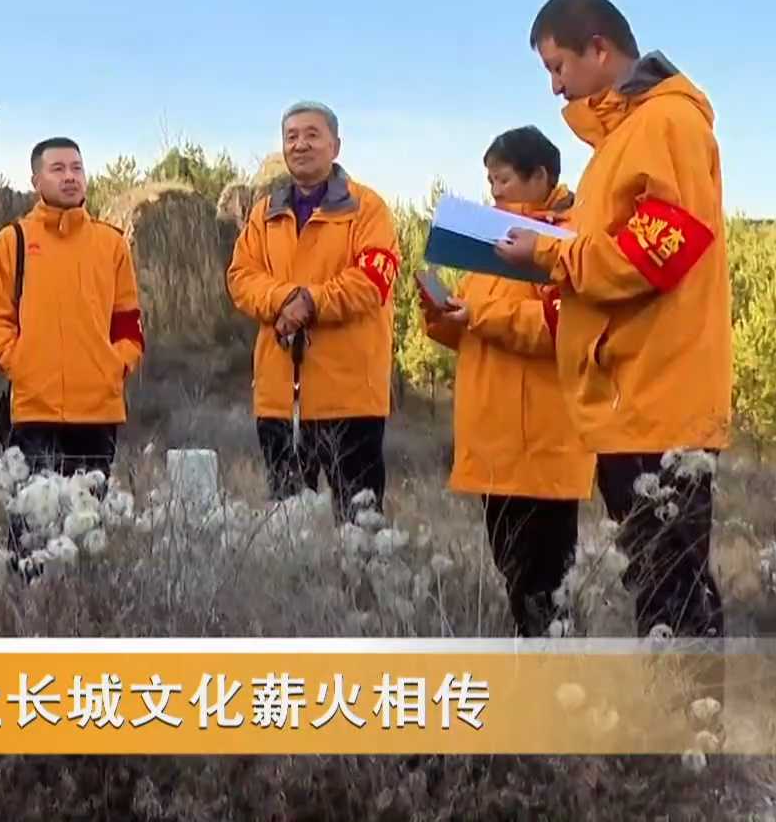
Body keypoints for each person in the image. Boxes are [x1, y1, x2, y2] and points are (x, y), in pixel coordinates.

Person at [497, 0, 730, 642]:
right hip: (630, 396)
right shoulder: (620, 143)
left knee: (671, 587)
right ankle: (678, 703)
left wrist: (550, 254)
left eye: (557, 66)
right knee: (658, 581)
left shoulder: (667, 124)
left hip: (658, 398)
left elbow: (657, 252)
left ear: (598, 48)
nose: (554, 86)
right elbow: (611, 250)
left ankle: (687, 707)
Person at [422, 127, 592, 638]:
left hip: (542, 441)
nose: (494, 191)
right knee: (515, 575)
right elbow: (474, 332)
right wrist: (443, 315)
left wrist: (479, 313)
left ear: (540, 177)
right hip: (491, 433)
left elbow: (563, 331)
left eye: (504, 180)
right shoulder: (490, 240)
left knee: (545, 585)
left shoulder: (569, 244)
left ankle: (555, 674)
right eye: (490, 181)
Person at [227, 101, 401, 521]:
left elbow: (372, 280)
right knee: (288, 528)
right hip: (278, 399)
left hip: (351, 399)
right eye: (291, 137)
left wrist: (311, 302)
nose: (300, 145)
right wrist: (285, 299)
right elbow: (241, 277)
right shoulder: (264, 213)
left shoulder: (368, 208)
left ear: (335, 146)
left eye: (311, 135)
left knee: (360, 526)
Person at [0, 136, 145, 477]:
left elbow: (128, 323)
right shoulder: (12, 241)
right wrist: (22, 366)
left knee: (91, 511)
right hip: (34, 414)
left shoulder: (112, 244)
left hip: (99, 414)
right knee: (33, 512)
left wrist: (114, 367)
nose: (70, 176)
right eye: (57, 169)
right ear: (36, 181)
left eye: (76, 168)